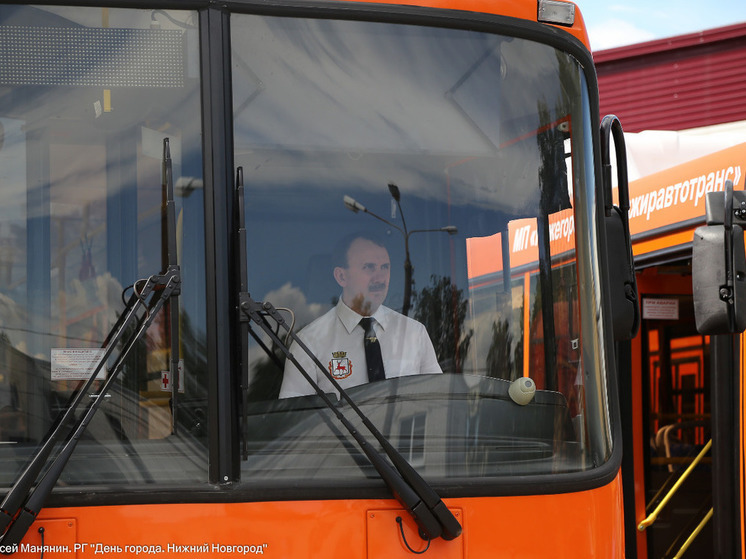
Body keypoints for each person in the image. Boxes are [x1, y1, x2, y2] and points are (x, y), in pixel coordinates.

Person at [279, 233, 442, 398]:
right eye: (369, 267)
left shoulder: (414, 333)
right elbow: (294, 417)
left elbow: (438, 400)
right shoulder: (308, 343)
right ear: (342, 276)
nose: (380, 278)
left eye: (385, 267)